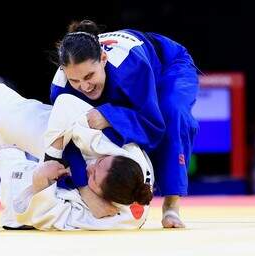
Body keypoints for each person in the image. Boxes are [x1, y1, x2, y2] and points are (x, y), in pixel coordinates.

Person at [0, 65, 154, 229]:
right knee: (31, 121)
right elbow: (66, 111)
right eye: (99, 163)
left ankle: (5, 153)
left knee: (24, 183)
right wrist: (83, 185)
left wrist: (33, 179)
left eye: (93, 176)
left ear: (107, 197)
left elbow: (43, 214)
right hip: (70, 137)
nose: (90, 168)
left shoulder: (114, 219)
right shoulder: (125, 152)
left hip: (60, 179)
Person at [50, 20, 200, 228]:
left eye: (89, 76)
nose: (84, 86)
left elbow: (153, 126)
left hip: (167, 66)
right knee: (94, 132)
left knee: (172, 112)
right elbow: (68, 140)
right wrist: (85, 189)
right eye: (75, 80)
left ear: (103, 59)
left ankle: (171, 205)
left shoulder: (131, 68)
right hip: (128, 78)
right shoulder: (61, 88)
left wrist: (110, 116)